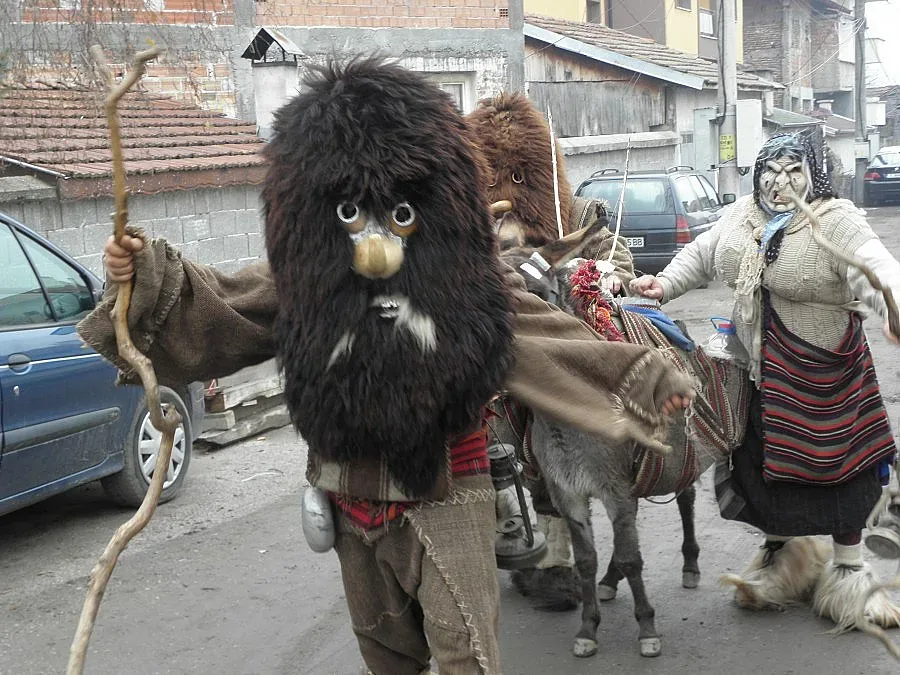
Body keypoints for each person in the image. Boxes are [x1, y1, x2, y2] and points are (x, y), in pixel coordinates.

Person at [82, 59, 694, 675]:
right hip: (348, 498)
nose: (375, 243)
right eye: (352, 214)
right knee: (386, 657)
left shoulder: (470, 287)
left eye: (399, 215)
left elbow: (556, 342)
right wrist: (142, 276)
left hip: (449, 490)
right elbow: (221, 303)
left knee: (468, 659)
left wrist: (646, 381)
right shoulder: (302, 286)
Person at [630, 132, 900, 630]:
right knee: (763, 464)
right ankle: (783, 557)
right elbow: (703, 254)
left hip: (824, 372)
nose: (780, 184)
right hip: (757, 371)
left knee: (838, 469)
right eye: (771, 172)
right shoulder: (742, 215)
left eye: (794, 172)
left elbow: (877, 269)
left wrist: (893, 307)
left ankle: (849, 572)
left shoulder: (835, 220)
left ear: (814, 175)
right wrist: (662, 283)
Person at [466, 92, 636, 607]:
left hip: (566, 354)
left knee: (569, 444)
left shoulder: (578, 214)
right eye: (495, 175)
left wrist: (604, 276)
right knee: (497, 447)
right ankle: (515, 534)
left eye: (518, 175)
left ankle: (558, 556)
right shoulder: (471, 228)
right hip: (496, 359)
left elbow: (618, 263)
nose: (507, 187)